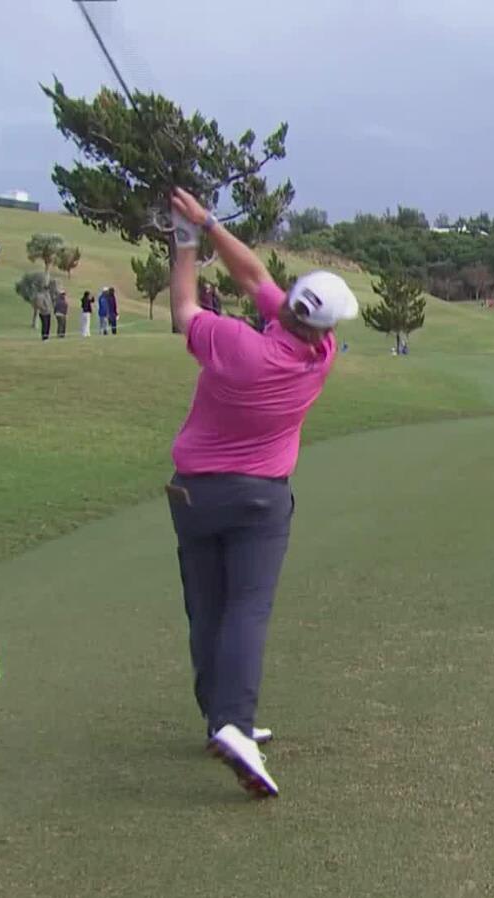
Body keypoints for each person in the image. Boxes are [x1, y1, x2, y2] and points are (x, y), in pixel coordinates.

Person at [162, 187, 358, 799]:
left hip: (194, 497)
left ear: (292, 307)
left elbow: (188, 306)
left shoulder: (236, 344)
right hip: (259, 501)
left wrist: (190, 239)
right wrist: (207, 225)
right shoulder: (319, 355)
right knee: (247, 610)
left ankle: (217, 717)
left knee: (207, 607)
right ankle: (235, 726)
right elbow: (251, 277)